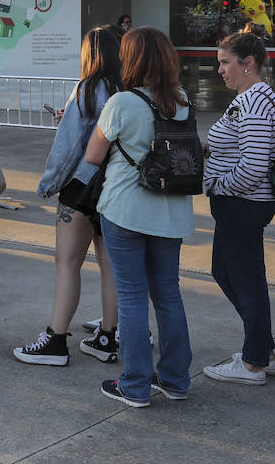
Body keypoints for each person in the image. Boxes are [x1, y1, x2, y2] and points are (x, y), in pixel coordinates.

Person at [80, 26, 194, 407]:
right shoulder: (183, 101)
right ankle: (176, 379)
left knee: (131, 297)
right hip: (171, 212)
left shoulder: (122, 103)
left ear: (131, 60)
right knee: (167, 294)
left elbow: (93, 156)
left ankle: (135, 385)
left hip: (126, 210)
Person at [16, 25, 123, 366]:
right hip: (116, 188)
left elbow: (67, 149)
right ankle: (108, 335)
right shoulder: (127, 90)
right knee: (111, 267)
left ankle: (55, 339)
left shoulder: (86, 90)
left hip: (80, 187)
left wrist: (48, 184)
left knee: (67, 265)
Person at [202, 32, 275, 386]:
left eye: (225, 62)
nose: (219, 69)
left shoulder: (254, 102)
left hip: (243, 204)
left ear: (248, 64)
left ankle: (253, 363)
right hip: (240, 204)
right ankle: (262, 350)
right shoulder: (251, 99)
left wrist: (218, 184)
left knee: (245, 279)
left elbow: (253, 166)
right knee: (227, 271)